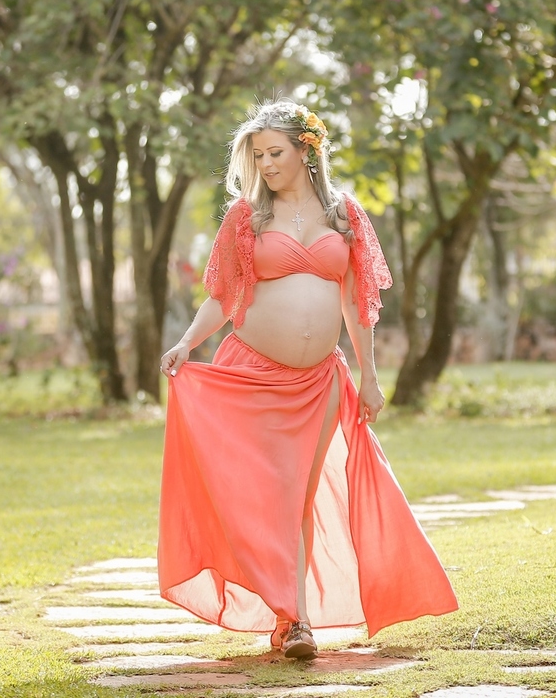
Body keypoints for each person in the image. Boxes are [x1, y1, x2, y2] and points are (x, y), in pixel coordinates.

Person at [157, 98, 459, 660]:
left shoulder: (344, 214)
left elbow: (358, 304)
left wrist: (370, 377)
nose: (266, 165)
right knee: (268, 494)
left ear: (306, 150)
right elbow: (222, 297)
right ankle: (292, 616)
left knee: (297, 495)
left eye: (276, 152)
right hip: (252, 375)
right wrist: (186, 343)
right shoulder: (247, 217)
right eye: (258, 156)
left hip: (319, 382)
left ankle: (294, 622)